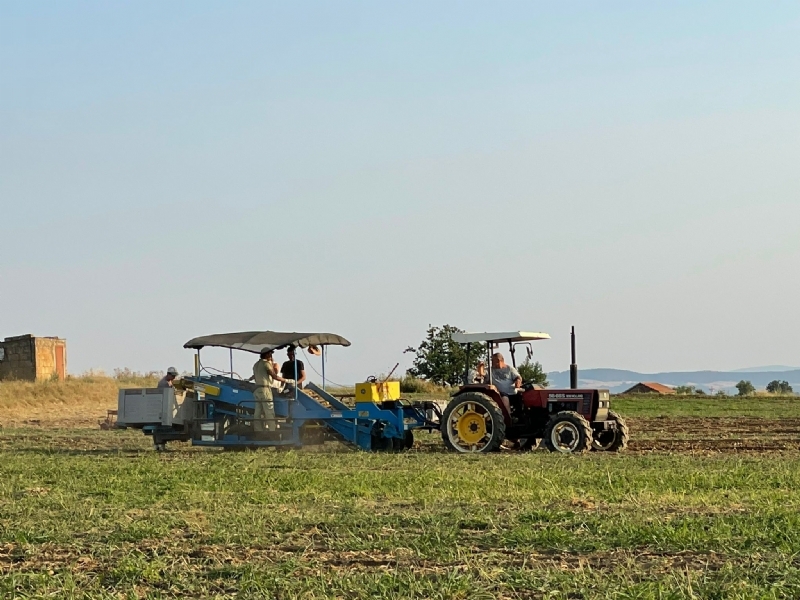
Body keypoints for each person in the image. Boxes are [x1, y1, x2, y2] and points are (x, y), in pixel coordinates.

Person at [248, 350, 291, 432]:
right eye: (270, 353)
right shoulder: (266, 364)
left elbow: (256, 375)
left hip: (257, 390)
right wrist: (286, 380)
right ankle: (272, 431)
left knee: (257, 412)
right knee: (269, 412)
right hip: (265, 390)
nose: (271, 355)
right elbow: (274, 375)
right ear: (267, 354)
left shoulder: (256, 365)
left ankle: (258, 431)